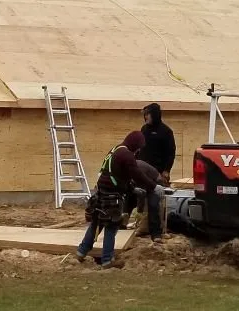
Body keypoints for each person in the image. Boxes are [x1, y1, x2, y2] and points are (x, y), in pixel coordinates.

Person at [75, 131, 161, 268]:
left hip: (101, 191)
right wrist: (154, 186)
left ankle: (81, 251)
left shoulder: (115, 150)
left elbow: (119, 175)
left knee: (96, 222)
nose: (138, 150)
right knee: (111, 226)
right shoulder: (127, 155)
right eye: (138, 147)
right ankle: (107, 260)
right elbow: (137, 175)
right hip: (112, 195)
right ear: (135, 145)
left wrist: (132, 189)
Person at [138, 103, 176, 183]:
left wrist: (166, 170)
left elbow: (171, 153)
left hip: (158, 171)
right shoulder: (144, 129)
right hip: (143, 169)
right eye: (145, 115)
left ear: (154, 115)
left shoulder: (166, 131)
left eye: (148, 114)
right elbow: (140, 148)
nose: (146, 117)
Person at [134, 159, 166, 243]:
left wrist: (139, 211)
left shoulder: (139, 170)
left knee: (153, 205)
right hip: (144, 183)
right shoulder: (128, 168)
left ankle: (156, 234)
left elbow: (142, 193)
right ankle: (125, 226)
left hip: (155, 184)